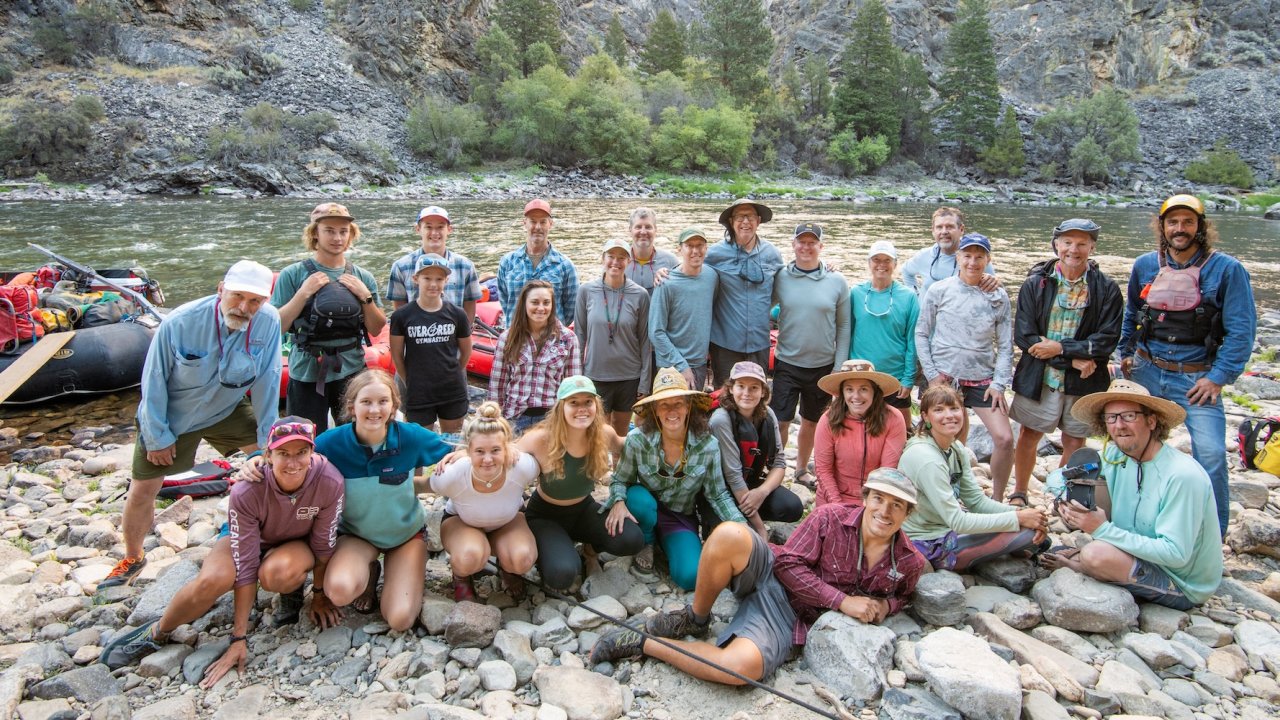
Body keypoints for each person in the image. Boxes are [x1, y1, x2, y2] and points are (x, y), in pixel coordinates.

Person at [589, 468, 925, 684]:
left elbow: (903, 596)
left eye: (897, 505)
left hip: (788, 618)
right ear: (865, 499)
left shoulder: (910, 561)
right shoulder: (829, 518)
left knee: (740, 669)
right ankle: (696, 618)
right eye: (878, 499)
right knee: (728, 534)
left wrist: (886, 607)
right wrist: (843, 601)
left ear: (907, 513)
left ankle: (646, 644)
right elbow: (788, 565)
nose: (884, 511)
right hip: (773, 577)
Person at [99, 417, 344, 685]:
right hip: (247, 536)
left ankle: (291, 592)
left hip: (293, 542)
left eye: (302, 453)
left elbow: (323, 546)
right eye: (283, 453)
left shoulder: (329, 481)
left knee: (279, 573)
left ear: (312, 453)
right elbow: (246, 564)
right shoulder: (248, 487)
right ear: (268, 455)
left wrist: (319, 595)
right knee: (213, 580)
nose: (293, 462)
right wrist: (238, 638)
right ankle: (157, 631)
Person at [98, 261, 282, 592]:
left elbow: (269, 378)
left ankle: (268, 535)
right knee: (144, 488)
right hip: (176, 413)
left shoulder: (268, 322)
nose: (244, 307)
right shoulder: (181, 322)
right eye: (237, 296)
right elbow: (153, 379)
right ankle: (133, 556)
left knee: (279, 463)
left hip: (227, 406)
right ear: (220, 289)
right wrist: (157, 436)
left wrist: (267, 439)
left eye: (255, 301)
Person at [1120, 194, 1256, 535]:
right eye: (1173, 222)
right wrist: (1124, 351)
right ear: (1162, 227)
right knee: (1129, 445)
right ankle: (1132, 522)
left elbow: (1242, 331)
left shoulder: (1227, 270)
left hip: (1196, 378)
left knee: (1210, 455)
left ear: (1201, 227)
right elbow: (1132, 315)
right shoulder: (1145, 265)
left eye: (1188, 222)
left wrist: (1219, 378)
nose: (1180, 229)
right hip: (1146, 369)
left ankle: (1212, 536)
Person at [1042, 380, 1223, 609]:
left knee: (1095, 555)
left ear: (1151, 420)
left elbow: (1176, 554)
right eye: (1111, 418)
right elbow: (1059, 476)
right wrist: (1066, 499)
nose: (1119, 426)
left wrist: (1101, 530)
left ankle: (1082, 567)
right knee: (1055, 548)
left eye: (1129, 416)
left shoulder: (1182, 476)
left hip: (1182, 582)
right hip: (1135, 554)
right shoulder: (1116, 456)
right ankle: (1090, 562)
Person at [312, 370, 452, 630]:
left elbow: (460, 445)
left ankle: (400, 571)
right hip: (357, 535)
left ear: (393, 406)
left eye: (382, 401)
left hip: (404, 535)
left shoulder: (410, 436)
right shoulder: (331, 443)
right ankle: (369, 570)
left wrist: (459, 456)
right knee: (340, 591)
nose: (374, 410)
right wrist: (256, 462)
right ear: (352, 407)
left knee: (399, 619)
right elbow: (289, 454)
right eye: (366, 402)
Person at [1008, 219, 1122, 507]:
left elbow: (1107, 340)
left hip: (1085, 380)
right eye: (1068, 242)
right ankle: (1020, 491)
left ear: (1092, 247)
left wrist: (1059, 348)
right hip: (1041, 375)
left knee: (1074, 439)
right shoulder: (1036, 284)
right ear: (1056, 245)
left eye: (1082, 243)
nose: (1074, 249)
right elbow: (1025, 337)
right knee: (1029, 433)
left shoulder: (1107, 289)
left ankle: (1063, 494)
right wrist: (1072, 361)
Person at [605, 368, 746, 590]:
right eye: (664, 405)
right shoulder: (636, 441)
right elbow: (620, 480)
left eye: (678, 403)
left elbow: (717, 494)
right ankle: (647, 541)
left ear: (688, 407)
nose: (672, 411)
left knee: (690, 577)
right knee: (641, 501)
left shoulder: (708, 446)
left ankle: (666, 543)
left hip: (679, 516)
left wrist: (743, 527)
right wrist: (619, 501)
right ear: (655, 410)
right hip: (643, 508)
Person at [899, 385, 1048, 572]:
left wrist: (1025, 515)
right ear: (925, 417)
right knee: (1027, 534)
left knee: (1033, 530)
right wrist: (1018, 517)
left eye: (954, 408)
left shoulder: (955, 448)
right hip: (924, 540)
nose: (949, 415)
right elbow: (958, 521)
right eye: (939, 410)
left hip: (946, 528)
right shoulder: (926, 458)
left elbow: (976, 502)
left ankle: (1009, 547)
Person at [518, 376, 645, 590]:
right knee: (563, 576)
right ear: (561, 407)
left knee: (632, 539)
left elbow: (626, 445)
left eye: (588, 402)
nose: (582, 409)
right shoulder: (541, 438)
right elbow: (502, 454)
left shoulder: (603, 433)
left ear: (596, 405)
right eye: (573, 402)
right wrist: (465, 452)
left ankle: (589, 550)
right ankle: (553, 547)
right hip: (545, 515)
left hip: (583, 509)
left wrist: (660, 431)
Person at [915, 233, 1016, 501]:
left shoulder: (998, 296)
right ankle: (945, 493)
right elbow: (922, 333)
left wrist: (998, 384)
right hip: (945, 378)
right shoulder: (940, 290)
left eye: (979, 256)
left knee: (1005, 439)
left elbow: (1006, 345)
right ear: (958, 257)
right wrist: (932, 375)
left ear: (988, 259)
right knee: (947, 439)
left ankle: (997, 499)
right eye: (967, 255)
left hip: (982, 379)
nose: (973, 262)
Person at [272, 202, 386, 431]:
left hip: (351, 368)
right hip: (306, 370)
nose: (337, 238)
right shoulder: (293, 274)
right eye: (329, 231)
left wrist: (365, 297)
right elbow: (277, 327)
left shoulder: (362, 276)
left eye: (343, 231)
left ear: (351, 235)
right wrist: (303, 293)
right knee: (307, 435)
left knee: (354, 434)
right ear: (315, 233)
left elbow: (376, 328)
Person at [430, 402, 539, 601]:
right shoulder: (452, 473)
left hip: (507, 521)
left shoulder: (522, 466)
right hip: (463, 521)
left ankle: (508, 568)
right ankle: (461, 576)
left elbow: (545, 446)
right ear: (468, 451)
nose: (488, 459)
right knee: (470, 556)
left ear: (507, 448)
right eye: (480, 451)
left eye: (495, 450)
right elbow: (430, 484)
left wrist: (517, 448)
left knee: (522, 558)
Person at [770, 222, 850, 488]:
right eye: (801, 242)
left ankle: (802, 468)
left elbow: (844, 325)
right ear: (793, 245)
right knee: (780, 420)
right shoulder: (780, 277)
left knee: (811, 421)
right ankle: (775, 468)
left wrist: (839, 367)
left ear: (820, 247)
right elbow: (760, 304)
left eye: (811, 242)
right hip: (787, 361)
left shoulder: (836, 281)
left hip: (822, 364)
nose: (806, 247)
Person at [706, 362, 803, 540]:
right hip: (721, 492)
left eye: (754, 388)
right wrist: (761, 530)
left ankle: (747, 514)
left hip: (749, 484)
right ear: (730, 389)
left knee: (792, 507)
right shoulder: (720, 420)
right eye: (741, 386)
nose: (746, 393)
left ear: (763, 392)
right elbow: (733, 476)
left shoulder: (768, 414)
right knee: (736, 537)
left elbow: (779, 463)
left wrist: (761, 492)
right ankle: (731, 519)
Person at [389, 253, 473, 434]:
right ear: (415, 279)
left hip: (452, 390)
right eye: (427, 278)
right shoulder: (401, 316)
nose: (433, 284)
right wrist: (409, 380)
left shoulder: (457, 314)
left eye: (439, 279)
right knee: (417, 444)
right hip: (418, 392)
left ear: (446, 280)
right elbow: (397, 355)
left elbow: (466, 351)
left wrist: (454, 372)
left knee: (451, 443)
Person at [575, 239, 652, 437]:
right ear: (603, 259)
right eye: (611, 256)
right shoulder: (586, 291)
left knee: (621, 433)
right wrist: (578, 375)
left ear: (629, 261)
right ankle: (602, 469)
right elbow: (579, 336)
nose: (615, 262)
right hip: (596, 374)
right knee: (598, 434)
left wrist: (644, 382)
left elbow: (645, 341)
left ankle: (620, 467)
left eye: (621, 258)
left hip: (629, 376)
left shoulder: (640, 295)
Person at [704, 199, 784, 387]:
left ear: (758, 220)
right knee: (724, 396)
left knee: (756, 397)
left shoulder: (772, 253)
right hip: (725, 343)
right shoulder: (715, 253)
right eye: (740, 216)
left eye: (750, 216)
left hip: (760, 342)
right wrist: (664, 271)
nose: (745, 221)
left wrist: (824, 267)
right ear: (731, 222)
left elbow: (785, 284)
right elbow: (689, 268)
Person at [489, 280, 582, 433]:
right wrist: (495, 420)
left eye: (546, 303)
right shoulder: (507, 338)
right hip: (515, 418)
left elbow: (573, 385)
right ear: (524, 304)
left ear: (552, 306)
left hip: (552, 419)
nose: (541, 308)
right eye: (534, 302)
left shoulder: (568, 339)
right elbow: (497, 385)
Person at [813, 360, 908, 507]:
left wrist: (869, 507)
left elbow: (887, 471)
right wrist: (837, 506)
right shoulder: (828, 419)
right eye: (849, 389)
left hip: (876, 499)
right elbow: (823, 470)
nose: (856, 396)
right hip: (833, 498)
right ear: (842, 393)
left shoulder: (893, 418)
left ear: (874, 391)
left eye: (863, 389)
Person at [849, 240, 919, 431]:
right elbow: (846, 333)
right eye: (876, 259)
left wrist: (908, 378)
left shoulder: (909, 297)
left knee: (902, 433)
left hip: (894, 378)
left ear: (895, 264)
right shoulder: (855, 293)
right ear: (869, 263)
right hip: (860, 374)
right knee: (859, 430)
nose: (881, 264)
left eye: (887, 260)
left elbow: (913, 341)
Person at [649, 228, 719, 391]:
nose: (695, 250)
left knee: (693, 415)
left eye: (700, 245)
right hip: (671, 366)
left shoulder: (711, 276)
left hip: (699, 363)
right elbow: (656, 332)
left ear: (706, 249)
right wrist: (681, 366)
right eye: (689, 246)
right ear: (679, 249)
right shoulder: (665, 283)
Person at [387, 205, 482, 323]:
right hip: (415, 336)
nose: (434, 233)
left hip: (454, 335)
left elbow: (469, 306)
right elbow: (399, 309)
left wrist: (464, 334)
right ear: (418, 229)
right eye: (428, 227)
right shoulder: (400, 267)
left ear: (449, 229)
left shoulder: (465, 266)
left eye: (440, 227)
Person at [497, 199, 578, 326]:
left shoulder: (565, 266)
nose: (538, 227)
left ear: (550, 224)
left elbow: (571, 310)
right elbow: (505, 302)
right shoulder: (507, 262)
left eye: (543, 222)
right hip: (516, 339)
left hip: (552, 341)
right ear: (525, 223)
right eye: (533, 221)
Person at [900, 207, 996, 296]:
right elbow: (905, 271)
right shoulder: (923, 256)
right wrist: (916, 295)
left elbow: (994, 287)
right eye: (939, 227)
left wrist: (996, 282)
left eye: (950, 227)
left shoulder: (975, 260)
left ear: (961, 229)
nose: (944, 232)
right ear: (933, 230)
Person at [624, 207, 679, 294]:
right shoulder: (618, 263)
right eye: (638, 227)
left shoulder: (671, 261)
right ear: (630, 230)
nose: (643, 232)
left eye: (648, 227)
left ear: (655, 230)